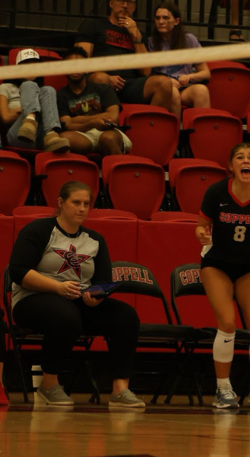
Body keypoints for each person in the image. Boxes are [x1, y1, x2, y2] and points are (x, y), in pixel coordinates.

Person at [7, 181, 144, 408]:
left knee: (125, 315)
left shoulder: (95, 239)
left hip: (77, 300)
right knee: (66, 315)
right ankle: (48, 385)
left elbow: (101, 280)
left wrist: (96, 296)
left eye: (86, 204)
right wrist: (56, 287)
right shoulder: (38, 230)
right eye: (76, 202)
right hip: (32, 299)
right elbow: (18, 272)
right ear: (61, 203)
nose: (82, 208)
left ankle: (121, 389)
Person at [196, 143, 250, 410]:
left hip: (248, 265)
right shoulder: (216, 192)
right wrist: (201, 233)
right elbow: (202, 226)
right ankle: (223, 389)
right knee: (228, 322)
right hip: (216, 264)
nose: (246, 161)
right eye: (240, 157)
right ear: (231, 166)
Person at [75, 0, 175, 113]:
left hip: (129, 84)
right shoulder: (94, 25)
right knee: (100, 78)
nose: (125, 5)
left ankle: (148, 126)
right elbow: (80, 61)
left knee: (164, 83)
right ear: (111, 3)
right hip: (101, 79)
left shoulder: (139, 33)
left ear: (134, 7)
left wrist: (136, 36)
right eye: (120, 0)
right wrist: (108, 77)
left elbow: (146, 71)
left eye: (130, 2)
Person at [56, 47, 132, 157]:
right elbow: (67, 125)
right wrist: (91, 123)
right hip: (83, 134)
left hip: (108, 132)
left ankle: (121, 173)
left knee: (108, 138)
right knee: (62, 139)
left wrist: (77, 119)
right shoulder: (60, 95)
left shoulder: (103, 89)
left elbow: (112, 117)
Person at [147, 1, 211, 119]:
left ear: (176, 21)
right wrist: (166, 81)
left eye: (165, 18)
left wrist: (189, 77)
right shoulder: (150, 42)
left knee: (202, 90)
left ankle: (202, 134)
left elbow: (206, 73)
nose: (160, 22)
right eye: (157, 18)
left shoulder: (189, 40)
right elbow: (145, 74)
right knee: (173, 92)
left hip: (184, 86)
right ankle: (175, 134)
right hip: (163, 87)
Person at [0, 49, 70, 152]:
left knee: (48, 89)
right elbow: (5, 118)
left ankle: (51, 134)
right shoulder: (5, 87)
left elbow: (52, 118)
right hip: (18, 135)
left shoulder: (44, 93)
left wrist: (18, 110)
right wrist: (31, 110)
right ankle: (29, 121)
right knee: (28, 84)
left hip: (41, 138)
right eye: (26, 65)